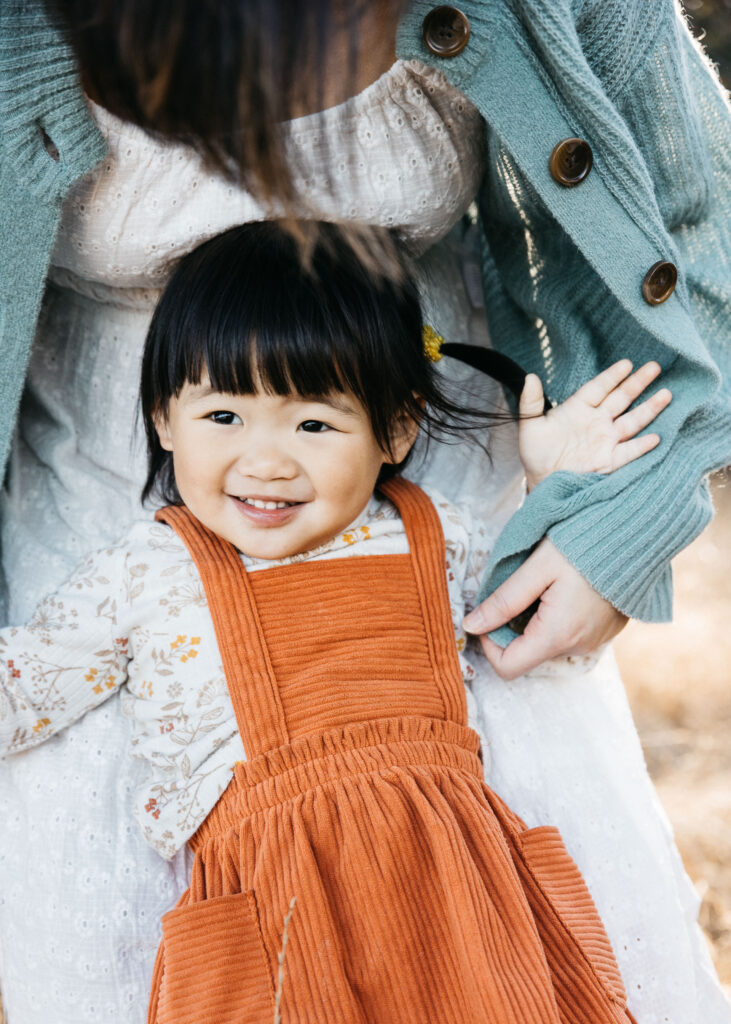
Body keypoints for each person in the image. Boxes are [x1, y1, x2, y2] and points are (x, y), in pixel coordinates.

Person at [0, 1, 728, 1022]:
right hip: (257, 909)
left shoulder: (435, 536)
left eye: (301, 430)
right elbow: (32, 680)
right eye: (225, 419)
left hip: (448, 885)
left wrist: (596, 510)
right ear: (166, 419)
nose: (267, 463)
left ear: (393, 433)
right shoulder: (142, 571)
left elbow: (517, 628)